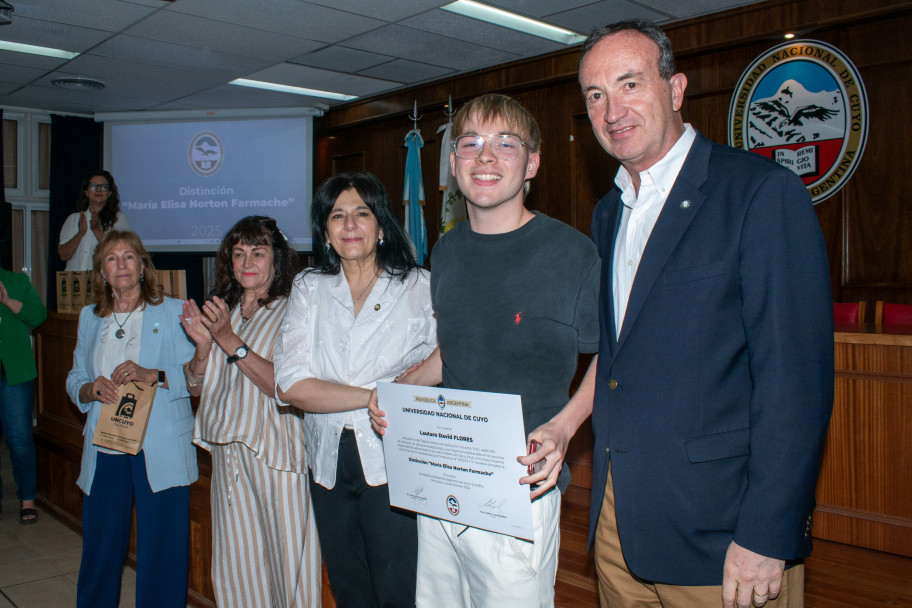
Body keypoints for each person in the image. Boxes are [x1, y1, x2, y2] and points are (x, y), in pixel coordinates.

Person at [564, 20, 833, 608]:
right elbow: (618, 356)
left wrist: (766, 534)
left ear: (676, 88)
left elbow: (796, 385)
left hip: (723, 536)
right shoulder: (610, 213)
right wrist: (564, 427)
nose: (613, 109)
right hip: (619, 523)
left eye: (630, 84)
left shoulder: (760, 194)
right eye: (595, 95)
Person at [371, 93, 601, 608]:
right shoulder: (446, 251)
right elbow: (452, 351)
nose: (486, 156)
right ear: (453, 165)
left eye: (505, 143)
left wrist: (564, 429)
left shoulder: (572, 253)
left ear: (533, 163)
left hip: (520, 481)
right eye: (469, 143)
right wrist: (398, 390)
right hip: (441, 475)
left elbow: (611, 359)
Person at [273, 172, 436, 608]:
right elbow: (290, 384)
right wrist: (373, 395)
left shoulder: (419, 285)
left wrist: (406, 387)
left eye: (362, 213)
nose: (349, 225)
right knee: (347, 587)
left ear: (381, 226)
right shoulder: (310, 287)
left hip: (394, 453)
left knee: (397, 586)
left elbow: (451, 356)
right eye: (337, 215)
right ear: (325, 232)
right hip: (326, 458)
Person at [180, 216, 321, 607]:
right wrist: (204, 347)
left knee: (287, 570)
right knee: (235, 570)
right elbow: (195, 387)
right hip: (229, 453)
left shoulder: (295, 309)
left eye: (258, 253)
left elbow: (286, 386)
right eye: (239, 253)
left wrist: (227, 339)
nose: (247, 262)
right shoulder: (224, 311)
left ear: (277, 260)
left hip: (277, 455)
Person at [66, 230, 196, 608]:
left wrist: (150, 373)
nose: (120, 264)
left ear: (142, 266)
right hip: (106, 441)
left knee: (162, 548)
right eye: (111, 258)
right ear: (102, 272)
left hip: (161, 444)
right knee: (101, 545)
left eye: (128, 257)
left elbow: (198, 377)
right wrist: (90, 389)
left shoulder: (173, 312)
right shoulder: (90, 317)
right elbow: (75, 376)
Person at [0, 265, 46, 524]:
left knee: (18, 437)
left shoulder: (17, 281)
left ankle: (27, 498)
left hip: (14, 373)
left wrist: (8, 302)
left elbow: (38, 317)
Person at [58, 170, 131, 270]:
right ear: (86, 192)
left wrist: (97, 229)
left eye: (104, 187)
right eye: (93, 186)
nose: (98, 190)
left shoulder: (119, 219)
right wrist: (80, 234)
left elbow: (121, 252)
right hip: (76, 282)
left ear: (109, 193)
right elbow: (63, 255)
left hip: (103, 281)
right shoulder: (73, 219)